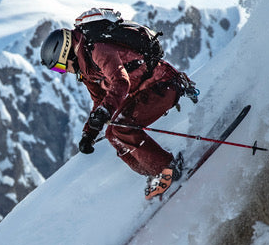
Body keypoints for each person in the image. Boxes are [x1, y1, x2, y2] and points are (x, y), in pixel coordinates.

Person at [40, 11, 198, 199]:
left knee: (123, 126)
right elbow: (99, 100)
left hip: (163, 83)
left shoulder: (98, 50)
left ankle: (169, 169)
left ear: (65, 52)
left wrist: (106, 111)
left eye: (59, 66)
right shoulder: (86, 70)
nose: (63, 71)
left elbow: (121, 82)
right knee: (111, 133)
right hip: (145, 92)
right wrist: (88, 133)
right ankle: (155, 173)